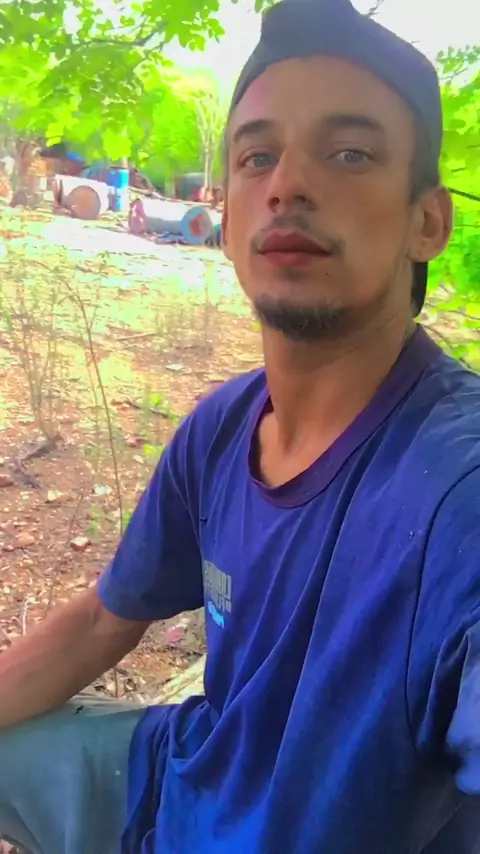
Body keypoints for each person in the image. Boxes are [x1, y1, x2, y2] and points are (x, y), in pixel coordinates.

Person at [1, 0, 480, 851]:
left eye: (350, 152)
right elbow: (105, 621)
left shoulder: (456, 493)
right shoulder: (222, 428)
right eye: (258, 156)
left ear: (427, 222)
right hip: (176, 782)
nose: (287, 184)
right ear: (226, 220)